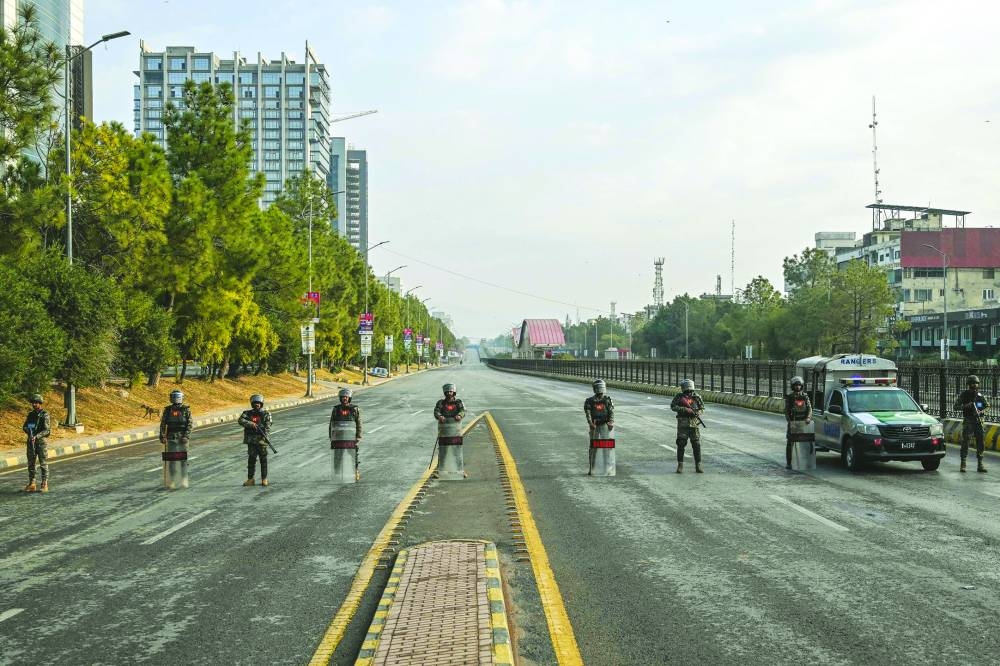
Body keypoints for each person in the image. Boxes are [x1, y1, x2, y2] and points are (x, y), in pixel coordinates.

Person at [955, 375, 989, 473]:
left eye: (976, 383)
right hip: (968, 420)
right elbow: (956, 406)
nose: (974, 385)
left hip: (978, 421)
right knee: (966, 441)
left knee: (981, 442)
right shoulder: (964, 394)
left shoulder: (980, 396)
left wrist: (981, 412)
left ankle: (980, 464)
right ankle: (963, 463)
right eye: (972, 383)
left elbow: (987, 407)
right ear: (968, 384)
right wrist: (966, 406)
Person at [159, 389, 193, 489]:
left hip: (183, 439)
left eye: (177, 397)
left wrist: (186, 436)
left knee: (182, 460)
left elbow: (189, 424)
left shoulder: (186, 410)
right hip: (171, 438)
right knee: (172, 460)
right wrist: (162, 437)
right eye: (174, 397)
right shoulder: (168, 410)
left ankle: (183, 480)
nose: (176, 399)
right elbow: (163, 424)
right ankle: (172, 481)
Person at [670, 379, 705, 473]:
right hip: (683, 424)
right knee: (681, 443)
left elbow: (702, 408)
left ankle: (698, 465)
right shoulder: (679, 397)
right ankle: (680, 465)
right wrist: (685, 409)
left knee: (696, 444)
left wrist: (697, 412)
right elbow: (673, 406)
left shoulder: (697, 397)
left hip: (694, 424)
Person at [238, 394, 272, 487]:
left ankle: (264, 479)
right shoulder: (247, 413)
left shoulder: (266, 414)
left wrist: (264, 433)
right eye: (255, 403)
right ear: (252, 404)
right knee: (251, 460)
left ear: (261, 404)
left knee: (263, 460)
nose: (257, 405)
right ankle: (250, 479)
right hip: (251, 441)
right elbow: (240, 420)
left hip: (262, 441)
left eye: (259, 403)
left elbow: (268, 426)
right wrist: (251, 424)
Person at [329, 388, 363, 480]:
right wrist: (331, 437)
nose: (344, 399)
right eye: (343, 397)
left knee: (353, 456)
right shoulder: (336, 409)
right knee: (337, 456)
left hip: (351, 437)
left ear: (349, 398)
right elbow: (331, 423)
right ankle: (336, 474)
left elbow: (359, 423)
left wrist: (358, 436)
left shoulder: (354, 409)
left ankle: (355, 471)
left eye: (346, 397)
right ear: (340, 398)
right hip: (339, 437)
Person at [434, 383, 466, 477]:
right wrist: (440, 416)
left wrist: (460, 415)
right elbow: (436, 411)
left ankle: (460, 471)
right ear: (444, 392)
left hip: (456, 431)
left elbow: (463, 410)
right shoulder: (441, 403)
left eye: (451, 391)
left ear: (454, 392)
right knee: (443, 452)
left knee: (457, 451)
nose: (449, 393)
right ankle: (440, 472)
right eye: (447, 391)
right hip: (444, 432)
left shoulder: (458, 402)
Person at [583, 379, 615, 475]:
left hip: (605, 424)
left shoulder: (607, 400)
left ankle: (607, 467)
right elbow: (588, 413)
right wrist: (590, 423)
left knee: (607, 446)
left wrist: (611, 422)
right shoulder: (590, 401)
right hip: (594, 425)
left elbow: (611, 412)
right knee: (594, 447)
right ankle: (592, 468)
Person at [22, 393, 51, 493]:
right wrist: (28, 431)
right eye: (33, 403)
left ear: (40, 403)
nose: (34, 404)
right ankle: (32, 483)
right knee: (31, 463)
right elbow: (25, 426)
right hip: (31, 442)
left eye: (36, 403)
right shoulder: (31, 414)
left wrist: (37, 436)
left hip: (41, 442)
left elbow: (47, 430)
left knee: (43, 463)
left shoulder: (44, 415)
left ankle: (44, 483)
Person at [784, 376, 813, 470]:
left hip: (803, 423)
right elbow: (786, 411)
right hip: (794, 422)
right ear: (793, 386)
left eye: (799, 385)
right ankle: (789, 463)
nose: (797, 387)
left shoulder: (805, 396)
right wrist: (790, 422)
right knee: (790, 443)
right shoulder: (790, 397)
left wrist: (808, 418)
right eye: (796, 385)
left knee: (806, 443)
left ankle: (807, 461)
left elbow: (809, 408)